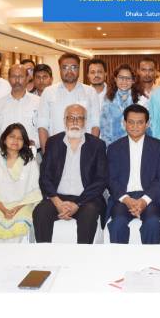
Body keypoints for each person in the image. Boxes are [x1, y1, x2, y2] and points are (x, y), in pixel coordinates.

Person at [34, 104, 108, 243]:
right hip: (58, 197)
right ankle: (43, 257)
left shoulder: (97, 145)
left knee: (90, 214)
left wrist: (77, 204)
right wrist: (57, 202)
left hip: (86, 199)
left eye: (79, 118)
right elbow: (45, 177)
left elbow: (101, 180)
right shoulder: (53, 142)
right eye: (71, 118)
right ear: (64, 121)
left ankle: (82, 259)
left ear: (85, 121)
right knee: (40, 212)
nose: (74, 122)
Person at [106, 105, 160, 244]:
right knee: (117, 224)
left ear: (147, 124)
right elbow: (111, 179)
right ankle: (119, 264)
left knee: (152, 224)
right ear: (124, 124)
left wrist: (144, 200)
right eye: (131, 122)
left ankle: (150, 264)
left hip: (150, 197)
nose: (135, 126)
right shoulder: (114, 148)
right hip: (123, 198)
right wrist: (127, 200)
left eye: (140, 122)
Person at [0, 123, 42, 246]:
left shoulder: (29, 161)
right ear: (4, 138)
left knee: (18, 234)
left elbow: (34, 189)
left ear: (24, 142)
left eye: (20, 138)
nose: (15, 140)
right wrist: (3, 209)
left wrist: (16, 208)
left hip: (22, 205)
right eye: (12, 136)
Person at [37, 53, 100, 150]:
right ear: (60, 70)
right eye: (65, 67)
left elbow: (95, 124)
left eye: (74, 67)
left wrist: (91, 151)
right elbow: (42, 125)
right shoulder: (48, 92)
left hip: (84, 149)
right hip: (56, 149)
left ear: (79, 69)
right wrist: (46, 154)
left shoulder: (90, 92)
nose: (69, 71)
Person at [0, 64, 40, 149]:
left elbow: (43, 130)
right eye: (13, 76)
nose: (17, 80)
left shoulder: (39, 102)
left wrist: (33, 144)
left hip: (32, 153)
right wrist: (5, 147)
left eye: (21, 76)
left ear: (27, 78)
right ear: (8, 79)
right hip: (4, 154)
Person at [100, 64, 141, 145]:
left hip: (135, 143)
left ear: (133, 80)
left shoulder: (140, 99)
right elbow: (104, 126)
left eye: (128, 78)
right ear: (115, 79)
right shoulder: (108, 99)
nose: (124, 81)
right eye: (121, 77)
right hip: (113, 144)